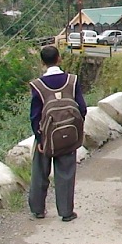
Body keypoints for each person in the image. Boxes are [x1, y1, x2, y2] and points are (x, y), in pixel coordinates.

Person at [28, 46, 87, 222]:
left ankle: (38, 210)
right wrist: (73, 129)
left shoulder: (37, 85)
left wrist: (39, 138)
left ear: (42, 62)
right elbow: (82, 109)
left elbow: (34, 116)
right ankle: (66, 212)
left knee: (40, 172)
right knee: (66, 173)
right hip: (68, 134)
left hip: (45, 137)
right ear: (59, 59)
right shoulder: (72, 81)